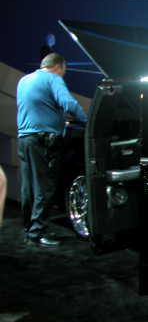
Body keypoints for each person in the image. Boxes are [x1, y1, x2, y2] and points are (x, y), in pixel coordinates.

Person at [17, 53, 88, 247]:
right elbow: (69, 103)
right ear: (59, 66)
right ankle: (37, 233)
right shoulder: (53, 78)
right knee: (45, 187)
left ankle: (29, 229)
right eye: (64, 71)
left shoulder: (24, 80)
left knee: (28, 187)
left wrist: (58, 117)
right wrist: (87, 122)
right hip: (43, 141)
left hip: (25, 139)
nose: (63, 75)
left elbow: (37, 107)